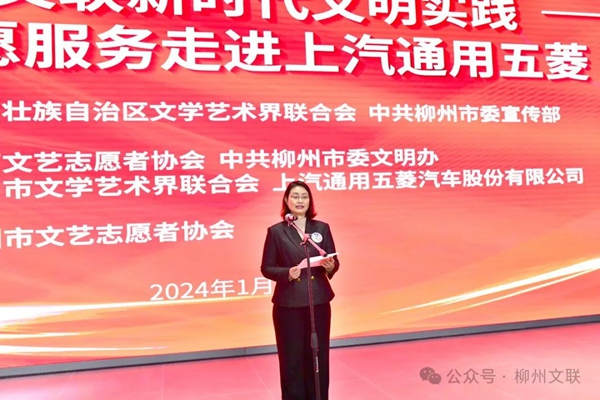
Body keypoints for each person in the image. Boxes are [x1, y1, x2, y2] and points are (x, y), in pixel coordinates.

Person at [261, 180, 340, 400]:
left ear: (309, 201)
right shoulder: (276, 232)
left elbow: (333, 260)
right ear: (286, 200)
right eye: (295, 196)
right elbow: (266, 268)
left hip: (318, 301)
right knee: (291, 359)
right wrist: (287, 273)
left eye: (304, 196)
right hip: (289, 305)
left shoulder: (321, 228)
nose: (300, 200)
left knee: (317, 356)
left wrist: (331, 266)